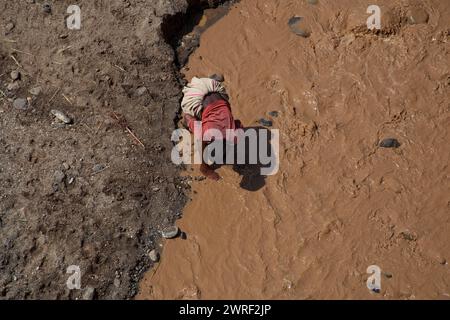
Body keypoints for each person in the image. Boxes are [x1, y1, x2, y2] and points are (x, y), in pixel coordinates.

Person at [181, 74, 242, 181]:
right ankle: (186, 121)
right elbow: (201, 143)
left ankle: (210, 79)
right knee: (190, 119)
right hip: (195, 96)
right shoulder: (207, 133)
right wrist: (205, 168)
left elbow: (238, 123)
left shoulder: (233, 127)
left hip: (213, 88)